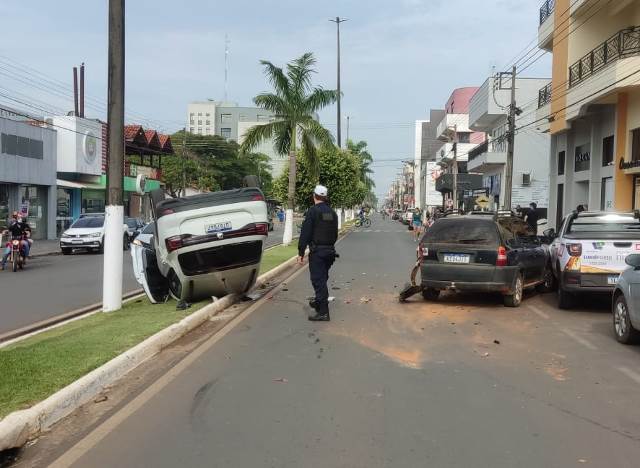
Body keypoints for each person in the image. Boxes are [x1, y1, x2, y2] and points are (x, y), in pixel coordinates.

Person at [298, 185, 339, 321]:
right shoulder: (332, 213)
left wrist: (301, 252)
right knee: (322, 278)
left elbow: (305, 234)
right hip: (330, 252)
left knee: (318, 281)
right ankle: (318, 301)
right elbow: (335, 234)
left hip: (318, 253)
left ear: (314, 196)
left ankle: (323, 312)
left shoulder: (312, 211)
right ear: (325, 197)